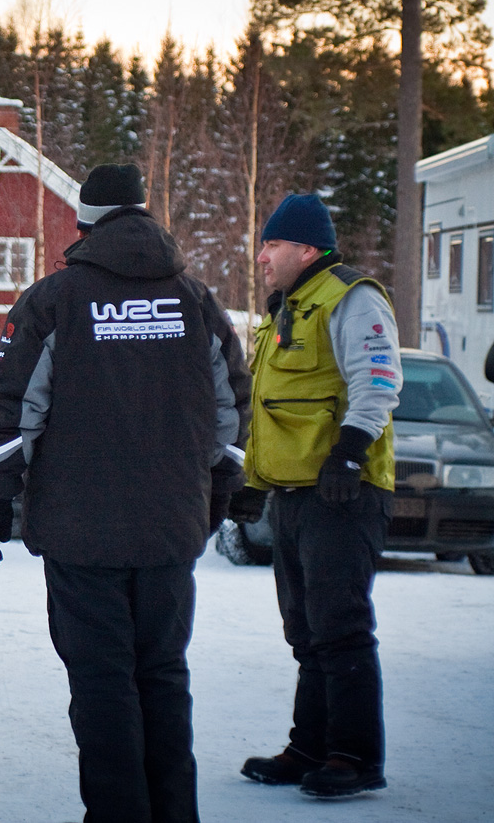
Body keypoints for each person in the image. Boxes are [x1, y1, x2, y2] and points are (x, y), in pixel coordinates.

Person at [0, 163, 250, 823]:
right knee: (162, 675)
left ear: (84, 223)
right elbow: (232, 408)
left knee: (101, 682)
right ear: (145, 214)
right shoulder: (197, 300)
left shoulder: (54, 300)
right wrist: (219, 488)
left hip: (80, 530)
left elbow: (12, 409)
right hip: (169, 530)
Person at [232, 193, 400, 798]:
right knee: (304, 630)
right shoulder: (288, 310)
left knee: (340, 626)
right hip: (296, 495)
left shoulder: (352, 298)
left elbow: (379, 379)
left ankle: (354, 757)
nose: (261, 258)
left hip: (344, 492)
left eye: (271, 245)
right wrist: (251, 487)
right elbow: (271, 411)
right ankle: (310, 748)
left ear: (306, 249)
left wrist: (349, 453)